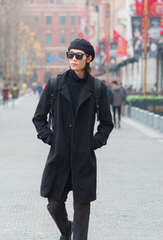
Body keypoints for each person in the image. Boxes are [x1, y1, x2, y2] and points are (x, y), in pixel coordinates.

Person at [32, 38, 113, 240]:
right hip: (58, 156)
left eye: (78, 56)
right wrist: (51, 139)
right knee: (54, 203)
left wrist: (93, 143)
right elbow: (39, 118)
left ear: (89, 58)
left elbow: (106, 123)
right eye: (70, 55)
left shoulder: (98, 88)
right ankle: (66, 230)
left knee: (82, 209)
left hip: (83, 158)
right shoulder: (54, 85)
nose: (73, 59)